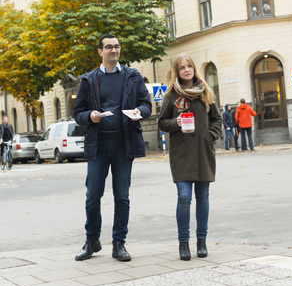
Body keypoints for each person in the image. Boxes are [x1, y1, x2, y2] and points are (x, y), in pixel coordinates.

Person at [74, 34, 152, 262]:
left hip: (123, 144)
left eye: (116, 46)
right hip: (98, 144)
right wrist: (90, 116)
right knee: (92, 196)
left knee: (122, 196)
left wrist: (140, 112)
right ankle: (92, 240)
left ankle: (119, 243)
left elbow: (146, 104)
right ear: (100, 51)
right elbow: (78, 113)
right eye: (109, 47)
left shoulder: (133, 76)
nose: (114, 50)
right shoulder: (89, 80)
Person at [158, 53, 222, 261]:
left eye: (189, 66)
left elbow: (217, 120)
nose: (187, 70)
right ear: (177, 72)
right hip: (181, 153)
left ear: (194, 68)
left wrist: (209, 137)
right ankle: (183, 242)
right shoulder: (171, 96)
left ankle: (201, 241)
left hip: (203, 152)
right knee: (184, 197)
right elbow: (161, 122)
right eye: (182, 67)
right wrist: (175, 123)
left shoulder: (206, 93)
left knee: (202, 198)